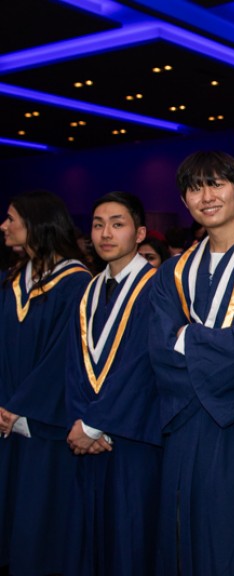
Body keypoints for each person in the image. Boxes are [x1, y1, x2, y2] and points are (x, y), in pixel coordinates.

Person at [148, 151, 234, 575]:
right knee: (187, 539)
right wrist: (223, 344)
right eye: (195, 187)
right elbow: (161, 348)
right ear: (184, 201)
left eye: (217, 183)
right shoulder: (172, 273)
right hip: (187, 421)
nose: (207, 196)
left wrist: (192, 338)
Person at [64, 192, 161, 576]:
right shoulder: (89, 289)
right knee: (94, 541)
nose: (105, 233)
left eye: (117, 224)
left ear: (138, 233)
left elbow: (144, 366)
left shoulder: (158, 287)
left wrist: (94, 423)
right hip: (92, 438)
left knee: (133, 539)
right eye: (98, 224)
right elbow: (74, 364)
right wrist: (80, 422)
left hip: (134, 437)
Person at [0, 190, 92, 576]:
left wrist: (21, 409)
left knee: (42, 520)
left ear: (36, 224)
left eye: (11, 218)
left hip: (44, 425)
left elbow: (64, 359)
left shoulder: (75, 283)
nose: (3, 226)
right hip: (6, 418)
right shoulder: (11, 279)